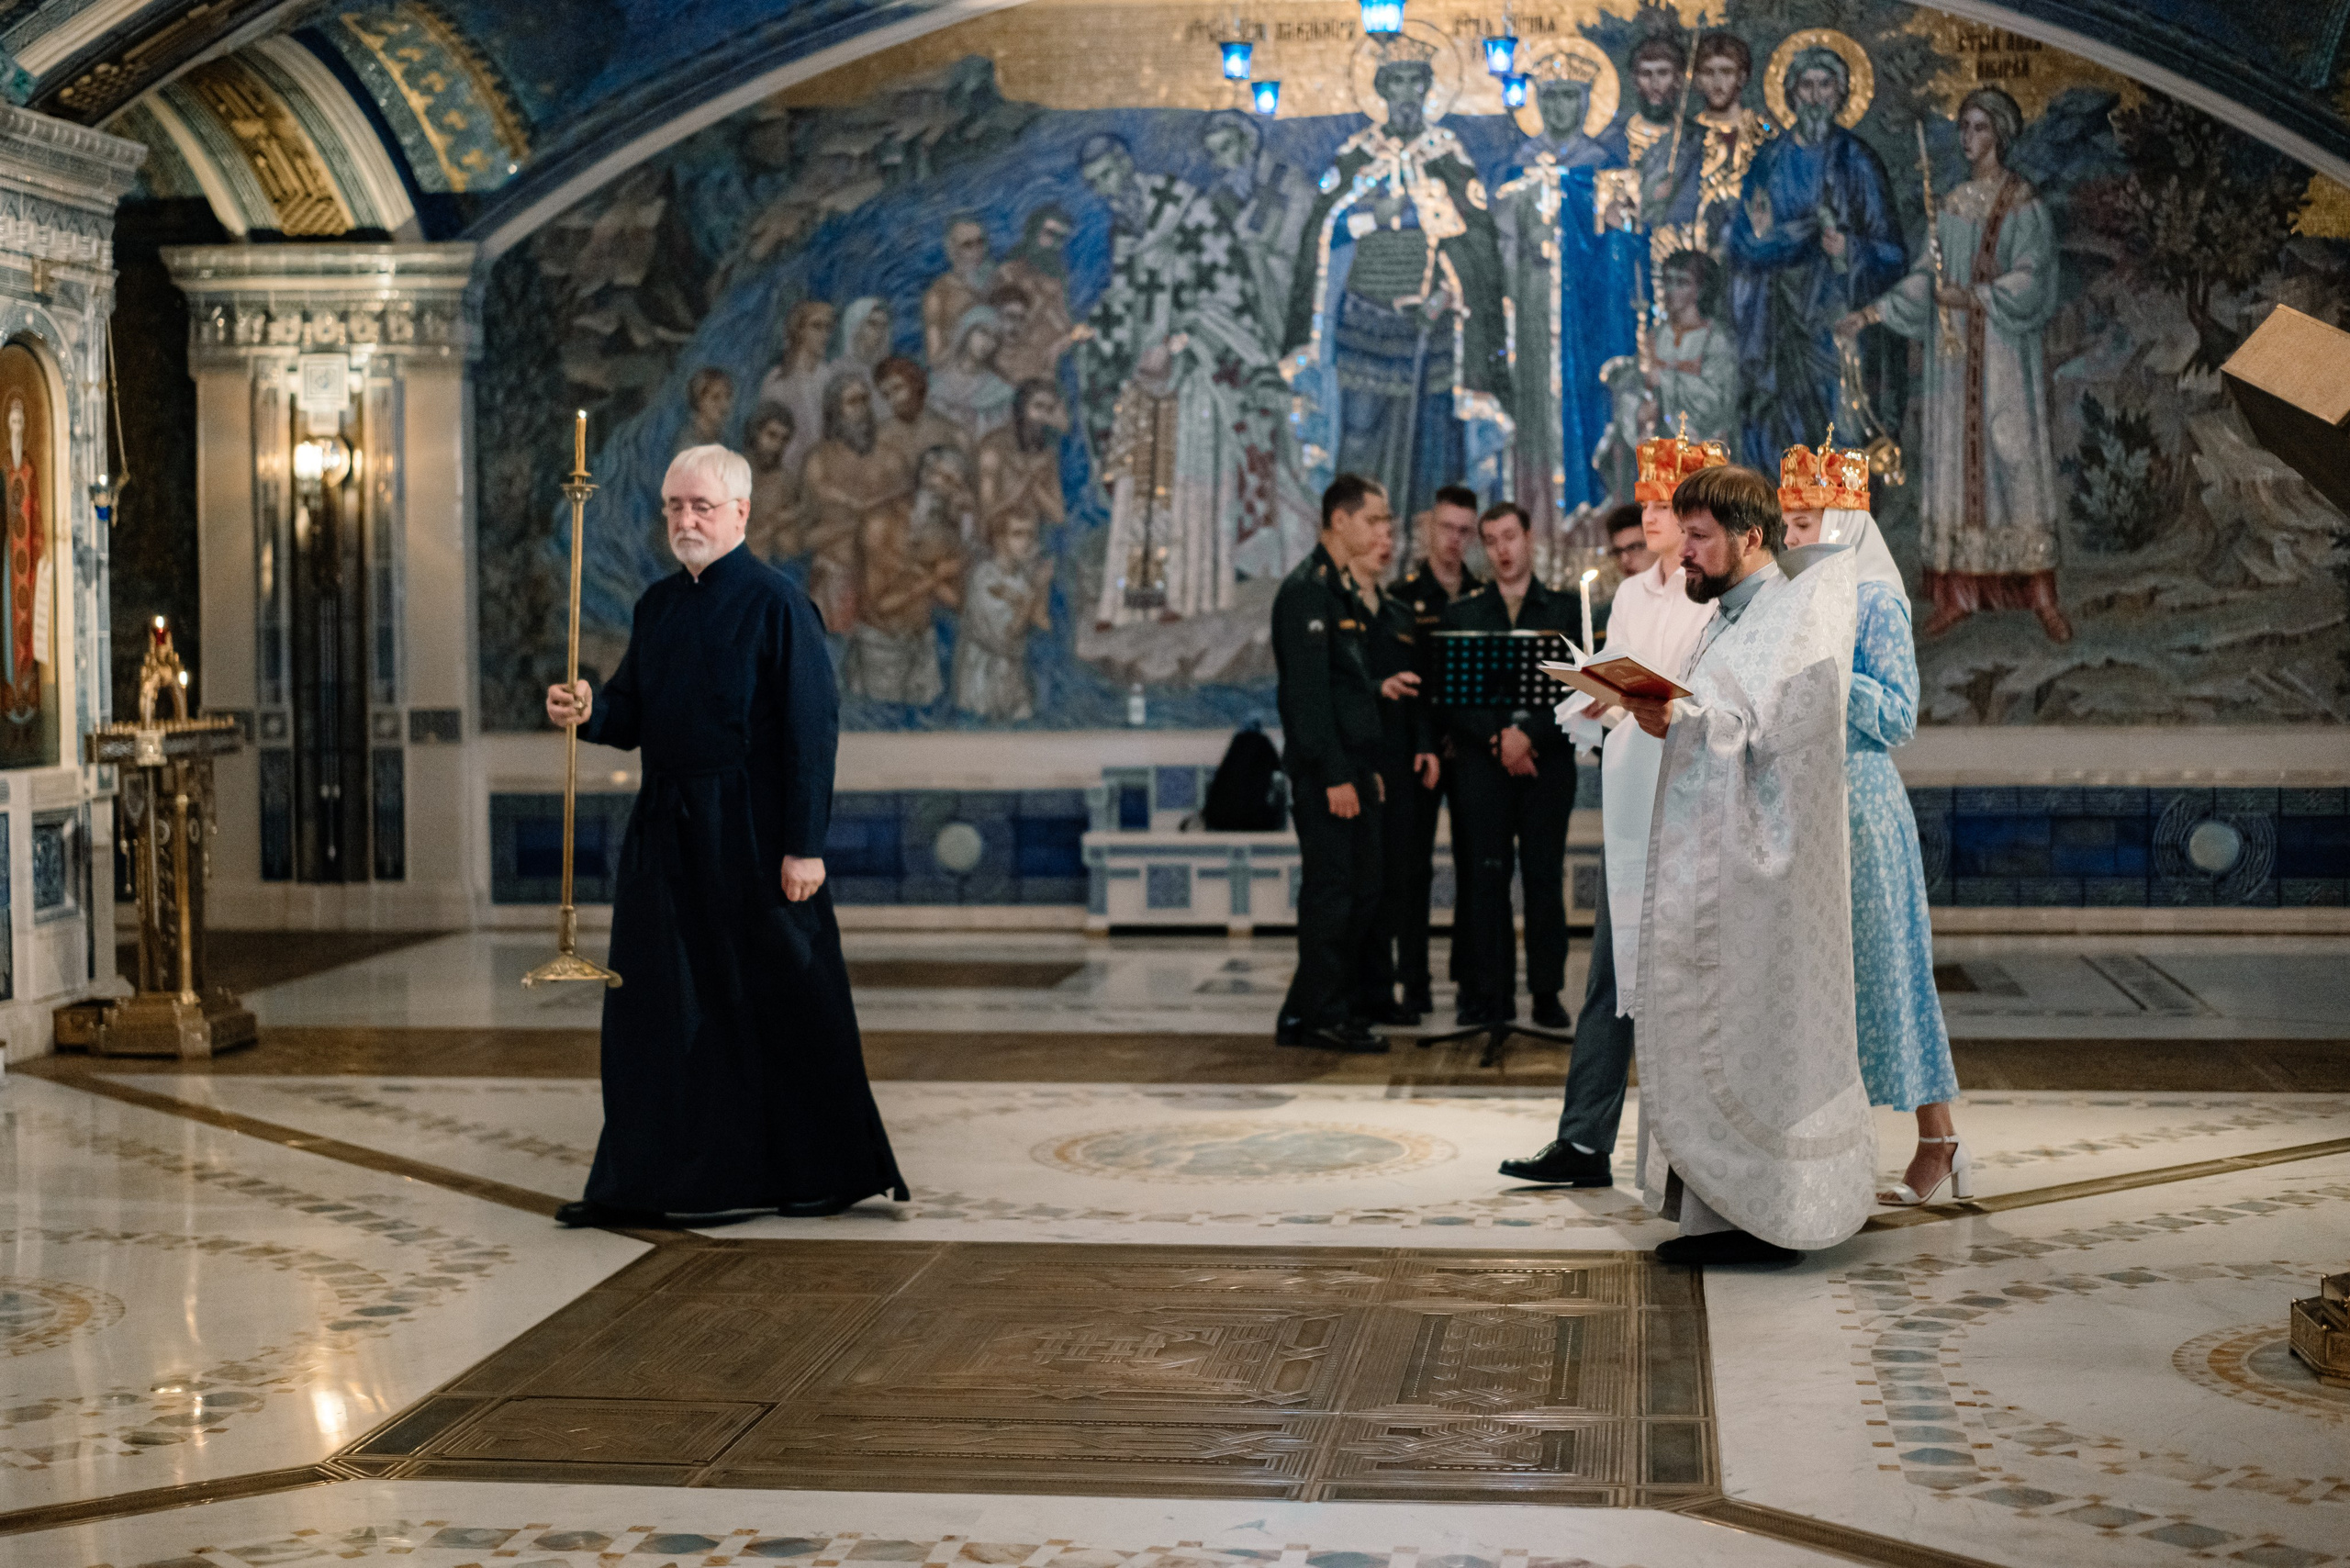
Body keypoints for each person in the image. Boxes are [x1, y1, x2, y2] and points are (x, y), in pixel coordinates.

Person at [544, 443, 907, 1226]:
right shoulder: (657, 607)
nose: (684, 520)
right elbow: (631, 714)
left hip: (753, 835)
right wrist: (588, 710)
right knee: (661, 1009)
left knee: (772, 1000)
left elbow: (812, 734)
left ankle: (804, 1173)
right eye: (674, 506)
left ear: (741, 512)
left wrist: (804, 846)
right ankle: (660, 1180)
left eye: (700, 507)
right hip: (667, 835)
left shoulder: (780, 605)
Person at [1620, 464, 1874, 1265]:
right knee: (1713, 1034)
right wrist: (1676, 715)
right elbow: (1726, 717)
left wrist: (1683, 722)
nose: (1683, 552)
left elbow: (1785, 750)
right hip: (1720, 873)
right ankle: (1716, 1212)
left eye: (1698, 537)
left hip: (1765, 885)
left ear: (1748, 536)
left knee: (1755, 1040)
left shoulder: (1796, 614)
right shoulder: (1731, 616)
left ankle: (1770, 1220)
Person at [1501, 432, 1723, 1189]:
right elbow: (1620, 685)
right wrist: (1597, 693)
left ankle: (1690, 1151)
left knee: (1685, 984)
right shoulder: (1632, 593)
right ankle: (1584, 1139)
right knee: (1612, 970)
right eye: (1652, 502)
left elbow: (1707, 693)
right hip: (1630, 801)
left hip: (1691, 799)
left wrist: (1645, 697)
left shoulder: (1711, 595)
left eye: (1667, 504)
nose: (1653, 515)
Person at [1779, 442, 1968, 1207]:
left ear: (1843, 522)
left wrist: (1831, 665)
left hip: (1861, 803)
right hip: (1805, 800)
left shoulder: (1876, 600)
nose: (1790, 539)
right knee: (1817, 982)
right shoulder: (1794, 598)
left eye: (1801, 523)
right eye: (1786, 525)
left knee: (1888, 974)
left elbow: (1897, 714)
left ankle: (1939, 1137)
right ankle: (1825, 1146)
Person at [1843, 86, 2066, 643]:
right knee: (1954, 468)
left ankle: (2041, 593)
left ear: (2001, 135)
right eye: (1963, 128)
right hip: (1955, 358)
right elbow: (1926, 279)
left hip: (2005, 355)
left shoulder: (2022, 203)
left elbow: (2035, 276)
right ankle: (1960, 595)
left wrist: (1977, 299)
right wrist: (1873, 313)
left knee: (2014, 457)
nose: (1969, 140)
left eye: (1980, 129)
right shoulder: (1950, 204)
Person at [1077, 133, 1315, 626]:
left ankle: (1195, 586)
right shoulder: (1126, 227)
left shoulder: (1187, 210)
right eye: (1095, 184)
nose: (1105, 191)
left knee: (1192, 472)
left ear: (1126, 164)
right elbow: (1129, 298)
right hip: (1153, 372)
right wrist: (1102, 337)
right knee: (1144, 470)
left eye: (1108, 176)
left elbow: (1227, 289)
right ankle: (1146, 591)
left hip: (1204, 368)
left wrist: (1179, 344)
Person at [1285, 36, 1513, 521]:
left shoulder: (1447, 153)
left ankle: (1425, 540)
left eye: (1416, 83)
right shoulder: (1355, 155)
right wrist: (1375, 216)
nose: (1407, 94)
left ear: (1428, 90)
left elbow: (1476, 244)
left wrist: (1450, 292)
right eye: (1397, 83)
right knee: (1362, 431)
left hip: (1431, 322)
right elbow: (1322, 232)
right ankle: (1362, 533)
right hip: (1365, 316)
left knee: (1433, 436)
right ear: (1382, 90)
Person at [1722, 40, 1905, 471]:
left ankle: (1844, 533)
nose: (1816, 95)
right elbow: (1743, 244)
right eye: (1807, 84)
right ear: (1791, 93)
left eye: (1826, 85)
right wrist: (1773, 240)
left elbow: (1893, 253)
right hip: (1779, 321)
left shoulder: (1857, 161)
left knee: (1841, 433)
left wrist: (1851, 249)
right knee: (1786, 435)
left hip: (1836, 322)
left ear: (1841, 94)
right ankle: (1786, 531)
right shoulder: (1769, 161)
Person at [1437, 502, 1581, 1030]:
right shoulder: (1464, 614)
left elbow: (1577, 691)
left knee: (1543, 877)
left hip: (1547, 765)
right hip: (1484, 765)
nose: (1502, 550)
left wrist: (1529, 735)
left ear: (1529, 539)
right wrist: (1500, 739)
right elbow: (1454, 697)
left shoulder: (1564, 612)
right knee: (1485, 877)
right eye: (1491, 540)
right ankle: (1488, 991)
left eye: (1510, 537)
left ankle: (1546, 992)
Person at [1498, 50, 1644, 541]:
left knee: (1586, 400)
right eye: (1551, 97)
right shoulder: (1518, 165)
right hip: (1533, 308)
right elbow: (1501, 241)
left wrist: (1620, 231)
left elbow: (1621, 245)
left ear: (1585, 103)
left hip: (1586, 311)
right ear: (1539, 102)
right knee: (1535, 406)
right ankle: (1538, 521)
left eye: (1570, 97)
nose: (1561, 107)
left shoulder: (1601, 166)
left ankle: (1589, 521)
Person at [1273, 474, 1393, 1055]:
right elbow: (1309, 697)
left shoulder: (1339, 590)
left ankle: (1307, 1009)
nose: (1381, 531)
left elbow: (1351, 692)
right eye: (1373, 519)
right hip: (1328, 775)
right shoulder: (1306, 592)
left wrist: (1363, 767)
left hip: (1353, 768)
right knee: (1333, 896)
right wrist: (1335, 774)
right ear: (1340, 520)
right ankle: (1323, 1013)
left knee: (1363, 891)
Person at [1391, 487, 1483, 1015]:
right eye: (1446, 528)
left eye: (1464, 530)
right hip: (1420, 753)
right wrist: (1426, 741)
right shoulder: (1405, 597)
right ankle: (1414, 981)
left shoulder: (1479, 596)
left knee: (1475, 865)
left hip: (1470, 751)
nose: (1454, 540)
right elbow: (1412, 684)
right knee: (1412, 869)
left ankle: (1470, 978)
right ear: (1429, 528)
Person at [1352, 503, 1439, 1026]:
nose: (1385, 541)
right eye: (1376, 531)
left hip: (1405, 763)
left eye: (1391, 533)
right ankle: (1363, 988)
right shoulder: (1346, 612)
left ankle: (1399, 987)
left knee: (1405, 880)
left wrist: (1427, 744)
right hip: (1366, 762)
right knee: (1368, 882)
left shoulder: (1402, 614)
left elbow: (1420, 692)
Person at [800, 369, 913, 634]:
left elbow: (908, 520)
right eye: (852, 402)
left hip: (886, 578)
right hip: (835, 575)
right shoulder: (818, 461)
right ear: (834, 410)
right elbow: (804, 534)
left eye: (864, 400)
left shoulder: (891, 459)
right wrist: (857, 522)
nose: (862, 409)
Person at [873, 357, 966, 476]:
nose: (893, 400)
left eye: (898, 388)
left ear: (916, 383)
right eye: (886, 394)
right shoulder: (880, 435)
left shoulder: (953, 434)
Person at [923, 214, 997, 364]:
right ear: (952, 250)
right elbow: (935, 358)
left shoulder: (998, 282)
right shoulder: (938, 295)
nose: (977, 250)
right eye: (967, 245)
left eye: (980, 242)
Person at [744, 401, 809, 563]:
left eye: (784, 439)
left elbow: (792, 542)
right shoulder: (731, 473)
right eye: (771, 435)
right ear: (755, 433)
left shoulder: (785, 480)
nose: (777, 445)